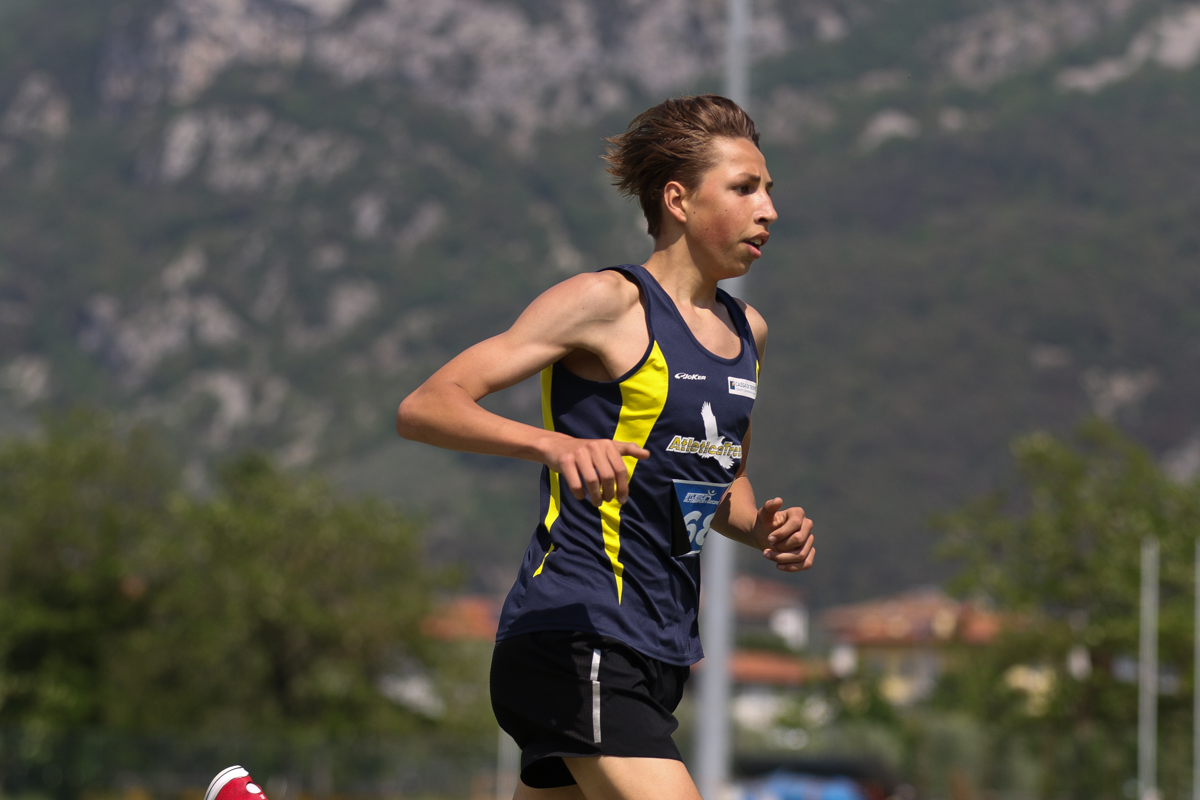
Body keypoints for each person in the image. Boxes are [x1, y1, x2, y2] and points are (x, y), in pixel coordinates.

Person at [203, 94, 814, 800]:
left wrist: (762, 528)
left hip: (660, 645)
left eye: (768, 189)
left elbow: (718, 479)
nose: (769, 209)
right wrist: (554, 445)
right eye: (745, 188)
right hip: (580, 631)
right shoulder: (608, 302)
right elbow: (426, 406)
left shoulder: (748, 333)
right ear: (678, 200)